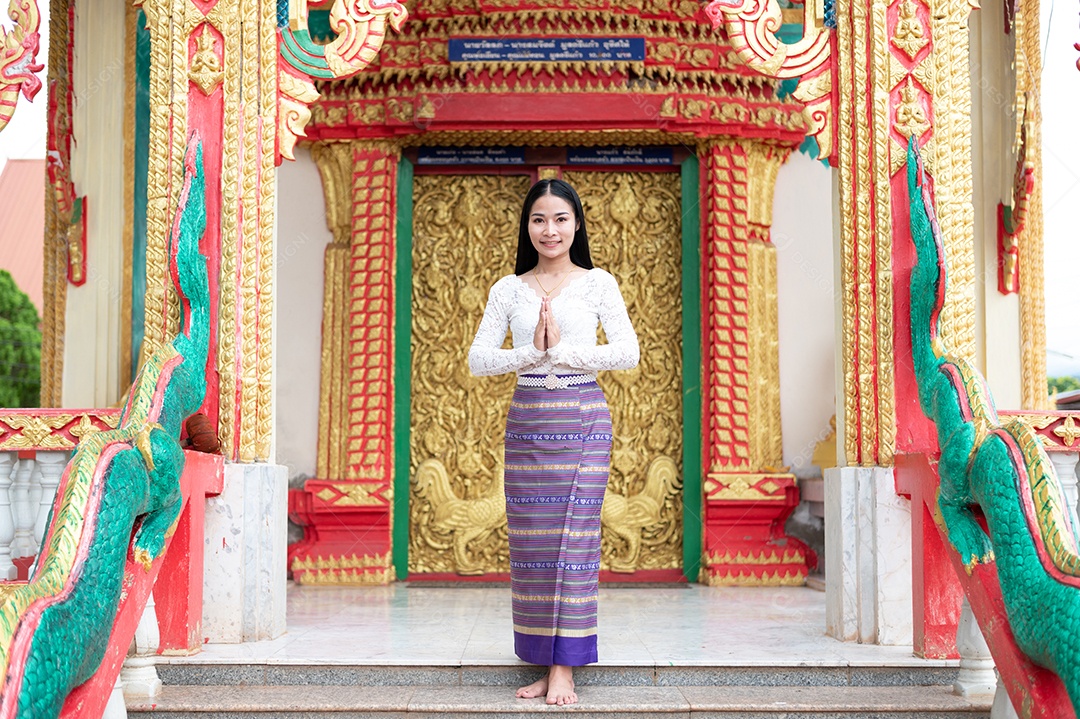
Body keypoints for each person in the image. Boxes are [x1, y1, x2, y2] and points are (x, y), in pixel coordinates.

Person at [468, 178, 639, 705]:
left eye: (560, 219)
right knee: (536, 549)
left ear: (577, 224)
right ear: (527, 226)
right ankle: (546, 661)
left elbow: (627, 353)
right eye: (539, 219)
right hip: (529, 421)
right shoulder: (508, 289)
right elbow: (478, 360)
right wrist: (530, 353)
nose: (550, 229)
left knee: (575, 545)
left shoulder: (598, 284)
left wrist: (562, 352)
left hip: (582, 419)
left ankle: (567, 667)